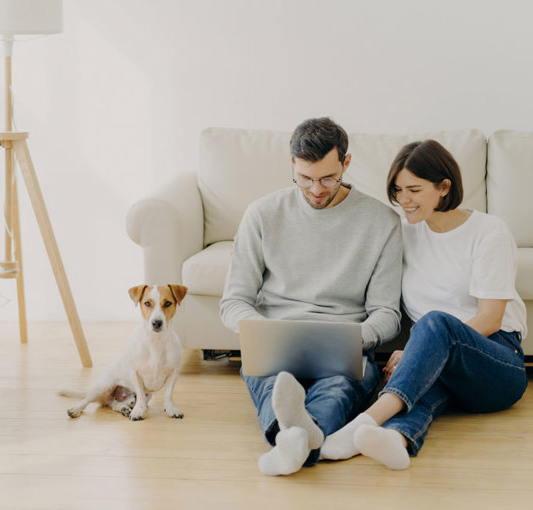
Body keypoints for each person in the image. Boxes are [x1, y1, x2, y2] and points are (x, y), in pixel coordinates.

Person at [320, 139, 528, 470]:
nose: (404, 200)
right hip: (439, 365)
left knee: (434, 322)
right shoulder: (401, 233)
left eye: (414, 190)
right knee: (419, 388)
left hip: (497, 363)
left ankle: (364, 422)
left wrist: (420, 346)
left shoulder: (488, 231)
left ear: (444, 187)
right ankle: (396, 441)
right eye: (398, 190)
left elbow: (489, 319)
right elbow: (345, 251)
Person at [220, 117, 403, 476]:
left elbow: (387, 312)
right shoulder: (262, 214)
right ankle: (300, 440)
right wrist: (263, 332)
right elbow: (234, 301)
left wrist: (356, 337)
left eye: (327, 178)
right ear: (292, 164)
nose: (316, 189)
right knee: (271, 383)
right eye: (305, 178)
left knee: (338, 389)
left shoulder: (381, 221)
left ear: (346, 163)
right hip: (276, 340)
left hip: (344, 346)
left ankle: (289, 443)